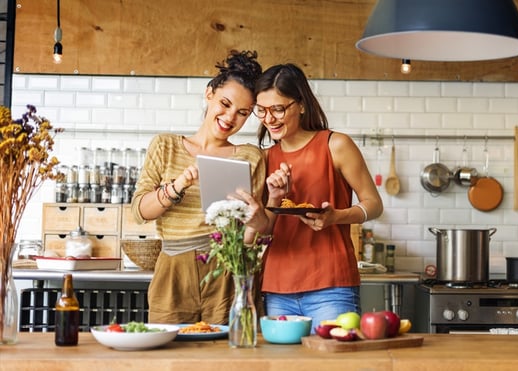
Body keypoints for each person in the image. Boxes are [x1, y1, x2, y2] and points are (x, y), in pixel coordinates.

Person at [131, 50, 267, 324]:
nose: (230, 117)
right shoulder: (165, 146)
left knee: (228, 360)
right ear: (209, 94)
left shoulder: (251, 156)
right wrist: (178, 185)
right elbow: (139, 212)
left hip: (227, 269)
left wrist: (255, 218)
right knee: (168, 359)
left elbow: (254, 231)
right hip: (173, 268)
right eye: (225, 104)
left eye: (242, 113)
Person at [254, 63, 383, 330]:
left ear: (300, 105)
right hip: (278, 286)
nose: (269, 119)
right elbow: (264, 227)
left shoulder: (335, 145)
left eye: (278, 109)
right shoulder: (265, 158)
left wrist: (337, 217)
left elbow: (374, 204)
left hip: (331, 284)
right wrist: (274, 199)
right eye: (262, 110)